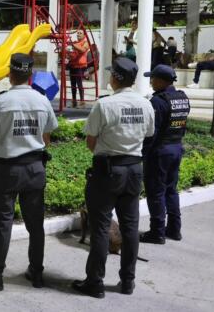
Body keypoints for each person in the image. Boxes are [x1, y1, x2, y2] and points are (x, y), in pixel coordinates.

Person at [0, 53, 58, 292]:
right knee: (35, 224)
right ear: (30, 75)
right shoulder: (42, 101)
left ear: (10, 74)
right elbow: (47, 138)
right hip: (35, 169)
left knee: (3, 224)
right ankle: (37, 273)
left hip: (7, 171)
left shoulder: (1, 102)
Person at [72, 57, 155, 299]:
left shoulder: (105, 105)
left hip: (108, 171)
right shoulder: (145, 104)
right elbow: (148, 134)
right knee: (130, 228)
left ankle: (95, 282)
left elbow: (91, 141)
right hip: (134, 170)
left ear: (116, 78)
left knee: (100, 228)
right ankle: (127, 281)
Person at [140, 65, 190, 244]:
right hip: (176, 148)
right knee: (171, 190)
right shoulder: (182, 98)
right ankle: (174, 229)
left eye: (153, 78)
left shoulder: (158, 102)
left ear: (161, 81)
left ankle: (157, 232)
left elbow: (152, 132)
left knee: (156, 192)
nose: (151, 81)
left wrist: (143, 154)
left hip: (160, 152)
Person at [69, 30, 90, 108]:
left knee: (79, 84)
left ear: (84, 35)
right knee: (73, 84)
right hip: (73, 65)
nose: (78, 34)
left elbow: (83, 50)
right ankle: (74, 101)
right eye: (77, 33)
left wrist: (73, 45)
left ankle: (82, 102)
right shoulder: (75, 43)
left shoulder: (86, 42)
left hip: (80, 66)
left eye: (80, 33)